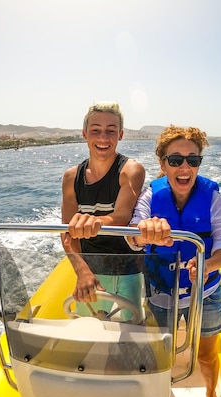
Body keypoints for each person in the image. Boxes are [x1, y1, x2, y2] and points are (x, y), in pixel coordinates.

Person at [127, 125, 221, 397]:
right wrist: (145, 234)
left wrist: (209, 265)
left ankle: (211, 395)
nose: (184, 167)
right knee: (162, 354)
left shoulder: (214, 200)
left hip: (206, 292)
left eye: (192, 160)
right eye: (175, 160)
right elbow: (133, 236)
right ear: (163, 164)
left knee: (207, 355)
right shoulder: (150, 197)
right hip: (162, 293)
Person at [60, 102, 146, 317]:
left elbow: (122, 216)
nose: (103, 138)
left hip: (129, 269)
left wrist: (95, 222)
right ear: (84, 134)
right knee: (86, 334)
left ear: (121, 135)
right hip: (90, 267)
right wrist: (82, 271)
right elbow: (67, 233)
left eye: (111, 131)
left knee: (133, 335)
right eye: (96, 130)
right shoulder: (71, 177)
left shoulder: (131, 170)